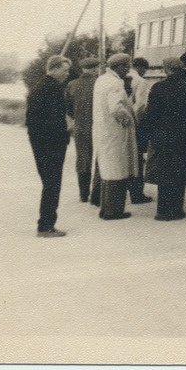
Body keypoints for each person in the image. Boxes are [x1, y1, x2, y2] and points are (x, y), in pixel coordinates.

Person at [139, 57, 186, 221]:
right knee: (179, 171)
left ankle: (163, 211)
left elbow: (151, 115)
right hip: (182, 136)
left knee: (164, 172)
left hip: (162, 136)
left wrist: (145, 135)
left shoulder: (158, 87)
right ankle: (176, 210)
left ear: (166, 70)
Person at [26, 54, 72, 237]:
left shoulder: (42, 85)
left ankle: (46, 224)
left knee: (49, 183)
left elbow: (33, 119)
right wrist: (66, 128)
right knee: (52, 184)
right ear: (55, 68)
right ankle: (45, 227)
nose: (67, 74)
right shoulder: (51, 88)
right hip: (50, 144)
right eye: (65, 70)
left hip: (41, 142)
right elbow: (51, 120)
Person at [92, 53, 139, 220]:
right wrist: (129, 121)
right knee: (117, 172)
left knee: (107, 171)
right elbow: (116, 109)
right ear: (118, 67)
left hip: (103, 131)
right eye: (126, 66)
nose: (128, 70)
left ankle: (105, 209)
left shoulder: (101, 80)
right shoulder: (115, 84)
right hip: (115, 133)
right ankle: (114, 211)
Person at [65, 57, 99, 203]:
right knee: (100, 159)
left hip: (80, 127)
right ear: (95, 68)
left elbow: (67, 108)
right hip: (98, 126)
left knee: (83, 160)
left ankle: (83, 194)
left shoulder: (72, 84)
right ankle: (97, 194)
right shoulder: (98, 83)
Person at [125, 56, 154, 205]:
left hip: (122, 124)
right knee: (137, 160)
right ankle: (137, 194)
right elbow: (140, 107)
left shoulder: (123, 77)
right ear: (141, 68)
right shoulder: (141, 82)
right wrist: (138, 124)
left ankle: (125, 190)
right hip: (135, 125)